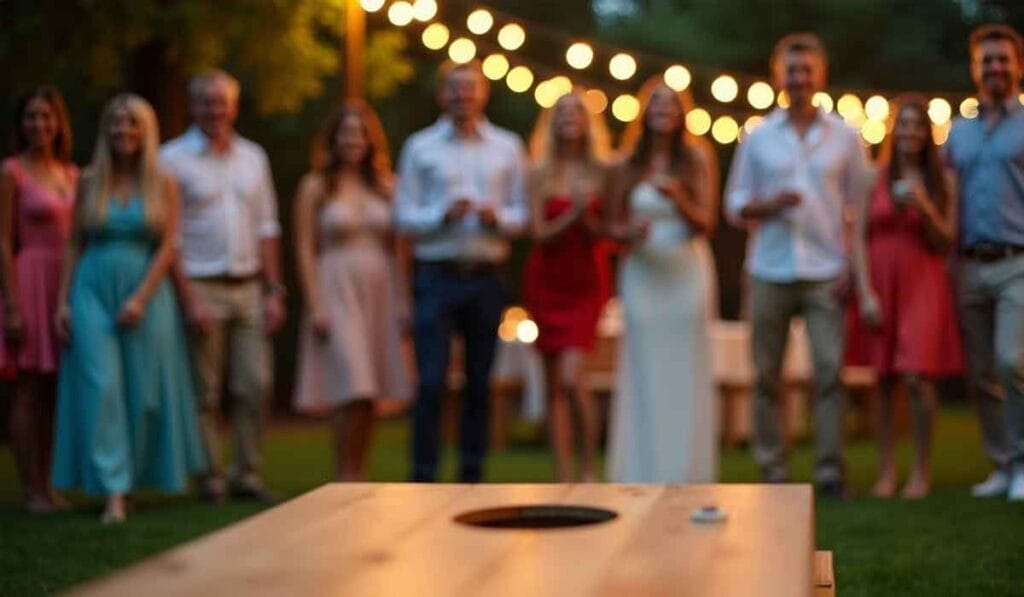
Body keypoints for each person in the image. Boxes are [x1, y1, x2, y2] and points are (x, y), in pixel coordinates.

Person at [725, 33, 869, 498]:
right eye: (792, 70)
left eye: (807, 70)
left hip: (826, 269)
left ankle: (829, 473)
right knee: (766, 375)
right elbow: (734, 203)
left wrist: (853, 266)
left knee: (829, 373)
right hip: (769, 269)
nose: (800, 78)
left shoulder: (846, 136)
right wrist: (767, 205)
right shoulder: (758, 137)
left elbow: (858, 209)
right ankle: (773, 469)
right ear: (778, 77)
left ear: (820, 76)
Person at [50, 94, 206, 523]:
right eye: (116, 123)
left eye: (132, 124)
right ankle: (113, 490)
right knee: (101, 386)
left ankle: (133, 478)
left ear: (146, 131)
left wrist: (140, 297)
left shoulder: (163, 182)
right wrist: (62, 301)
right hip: (92, 287)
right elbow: (72, 244)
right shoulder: (89, 179)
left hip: (146, 290)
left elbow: (168, 246)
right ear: (106, 131)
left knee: (143, 392)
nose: (124, 131)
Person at [395, 60, 529, 483]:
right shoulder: (420, 147)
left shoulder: (507, 147)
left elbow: (522, 213)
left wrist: (500, 220)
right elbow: (403, 216)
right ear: (442, 95)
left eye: (470, 89)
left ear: (483, 95)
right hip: (437, 273)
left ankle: (472, 476)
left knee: (479, 384)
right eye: (455, 89)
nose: (463, 97)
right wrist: (440, 216)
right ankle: (424, 475)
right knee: (431, 382)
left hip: (487, 276)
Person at [162, 70, 285, 503]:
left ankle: (247, 474)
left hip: (250, 285)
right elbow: (168, 238)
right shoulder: (172, 159)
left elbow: (268, 226)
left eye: (222, 102)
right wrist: (187, 297)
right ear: (194, 106)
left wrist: (274, 290)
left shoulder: (253, 157)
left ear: (234, 106)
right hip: (201, 283)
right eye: (206, 102)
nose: (215, 110)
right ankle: (210, 477)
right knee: (205, 390)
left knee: (255, 384)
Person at [605, 77, 720, 484]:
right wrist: (626, 233)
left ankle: (684, 470)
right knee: (643, 367)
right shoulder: (626, 163)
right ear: (645, 112)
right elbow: (611, 225)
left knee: (684, 370)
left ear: (681, 114)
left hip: (685, 271)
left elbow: (708, 222)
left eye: (671, 106)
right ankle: (639, 469)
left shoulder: (696, 158)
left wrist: (679, 199)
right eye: (657, 105)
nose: (663, 112)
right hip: (642, 272)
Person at [849, 96, 962, 500]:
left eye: (918, 126)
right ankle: (885, 470)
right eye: (905, 125)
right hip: (881, 283)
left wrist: (925, 205)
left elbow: (946, 240)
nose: (911, 132)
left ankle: (921, 469)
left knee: (917, 376)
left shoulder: (943, 181)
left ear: (927, 134)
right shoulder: (871, 178)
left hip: (923, 282)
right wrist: (864, 293)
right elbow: (859, 238)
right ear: (894, 132)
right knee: (882, 379)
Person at [292, 101, 411, 481]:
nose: (353, 140)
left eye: (360, 133)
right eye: (345, 132)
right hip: (335, 285)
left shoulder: (388, 187)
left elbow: (401, 248)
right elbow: (304, 247)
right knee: (352, 383)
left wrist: (404, 299)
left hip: (380, 287)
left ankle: (359, 471)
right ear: (333, 139)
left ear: (371, 141)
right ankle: (343, 474)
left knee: (370, 389)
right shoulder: (315, 187)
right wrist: (314, 303)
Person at [946, 24, 1024, 501]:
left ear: (1018, 66)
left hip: (1018, 260)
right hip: (969, 264)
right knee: (980, 373)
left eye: (1003, 59)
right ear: (975, 69)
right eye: (986, 61)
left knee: (1010, 360)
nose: (995, 68)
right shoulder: (959, 131)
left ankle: (1022, 464)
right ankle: (1000, 465)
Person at [522, 90, 611, 482]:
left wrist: (584, 218)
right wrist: (572, 213)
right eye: (562, 113)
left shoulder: (602, 172)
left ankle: (590, 469)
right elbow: (538, 234)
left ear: (587, 122)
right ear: (552, 122)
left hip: (586, 282)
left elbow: (604, 234)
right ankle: (562, 475)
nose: (569, 119)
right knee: (553, 383)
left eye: (576, 112)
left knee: (575, 377)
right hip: (547, 281)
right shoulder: (539, 172)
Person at [0, 87, 78, 513]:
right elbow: (2, 239)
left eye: (46, 117)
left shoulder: (71, 174)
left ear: (58, 123)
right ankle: (30, 489)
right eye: (30, 117)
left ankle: (49, 485)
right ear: (21, 124)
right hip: (28, 279)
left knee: (53, 389)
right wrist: (11, 303)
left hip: (64, 286)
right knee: (27, 387)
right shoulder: (12, 172)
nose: (39, 125)